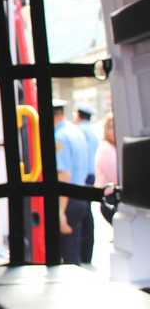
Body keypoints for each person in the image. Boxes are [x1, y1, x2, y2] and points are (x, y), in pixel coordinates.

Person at [53, 100, 90, 264]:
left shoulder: (59, 137)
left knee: (67, 257)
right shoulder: (75, 131)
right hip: (80, 196)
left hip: (67, 200)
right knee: (74, 253)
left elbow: (63, 174)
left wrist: (60, 211)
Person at [74, 104, 98, 262]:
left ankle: (83, 254)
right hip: (91, 175)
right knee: (88, 214)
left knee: (83, 215)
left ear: (78, 115)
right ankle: (87, 253)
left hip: (82, 176)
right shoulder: (92, 131)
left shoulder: (79, 131)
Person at [95, 112, 118, 223]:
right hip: (110, 198)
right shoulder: (106, 149)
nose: (114, 131)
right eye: (110, 127)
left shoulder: (113, 147)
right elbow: (116, 177)